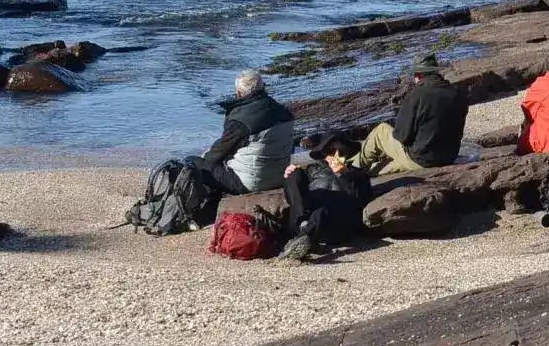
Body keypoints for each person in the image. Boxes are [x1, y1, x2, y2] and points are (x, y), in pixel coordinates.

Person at [353, 54, 469, 176]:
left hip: (422, 160)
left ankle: (352, 171)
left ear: (418, 75)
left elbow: (401, 136)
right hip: (449, 157)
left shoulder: (417, 95)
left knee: (380, 131)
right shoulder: (457, 93)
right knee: (386, 165)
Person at [279, 134, 373, 263]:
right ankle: (303, 231)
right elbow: (294, 197)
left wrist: (344, 175)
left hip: (336, 223)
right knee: (294, 174)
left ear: (348, 154)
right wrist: (290, 175)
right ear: (323, 153)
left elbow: (360, 201)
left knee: (323, 211)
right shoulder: (311, 171)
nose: (336, 155)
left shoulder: (358, 175)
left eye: (342, 152)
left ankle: (302, 240)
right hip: (305, 218)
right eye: (331, 151)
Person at [200, 70, 294, 194]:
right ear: (263, 87)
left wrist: (202, 159)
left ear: (238, 92)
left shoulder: (241, 120)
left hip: (251, 183)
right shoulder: (283, 111)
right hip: (281, 176)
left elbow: (217, 153)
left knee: (193, 164)